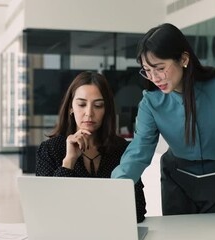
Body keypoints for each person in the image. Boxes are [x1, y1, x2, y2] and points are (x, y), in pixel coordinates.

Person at [111, 23, 215, 215]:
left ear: (183, 59)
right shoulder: (151, 102)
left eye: (159, 68)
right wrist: (117, 185)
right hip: (177, 179)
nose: (154, 78)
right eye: (147, 71)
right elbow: (139, 150)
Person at [35, 71, 147, 222]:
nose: (89, 113)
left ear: (106, 109)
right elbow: (46, 209)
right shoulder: (50, 149)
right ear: (70, 108)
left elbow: (138, 209)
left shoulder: (122, 149)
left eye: (98, 105)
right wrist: (69, 161)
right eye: (81, 104)